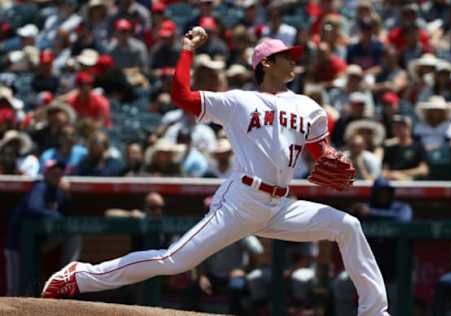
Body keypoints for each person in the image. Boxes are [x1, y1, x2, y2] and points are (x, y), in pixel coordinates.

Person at [41, 29, 390, 316]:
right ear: (266, 63)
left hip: (283, 205)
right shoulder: (238, 101)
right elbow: (182, 96)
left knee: (348, 226)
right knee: (173, 260)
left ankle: (375, 312)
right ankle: (81, 276)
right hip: (241, 201)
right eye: (286, 56)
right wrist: (187, 51)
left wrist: (332, 157)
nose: (293, 60)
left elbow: (320, 153)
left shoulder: (310, 108)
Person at [333, 177, 412, 316]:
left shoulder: (401, 208)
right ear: (374, 193)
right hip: (365, 270)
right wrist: (356, 211)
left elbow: (404, 220)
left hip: (393, 272)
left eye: (387, 192)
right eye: (380, 192)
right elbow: (343, 221)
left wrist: (371, 214)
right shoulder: (362, 208)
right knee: (341, 284)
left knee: (393, 300)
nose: (384, 195)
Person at [4, 160, 81, 296]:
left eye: (60, 171)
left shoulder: (59, 192)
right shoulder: (40, 186)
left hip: (36, 245)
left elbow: (68, 216)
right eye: (53, 171)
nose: (57, 173)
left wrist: (67, 194)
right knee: (15, 289)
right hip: (17, 245)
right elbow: (34, 208)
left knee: (72, 233)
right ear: (45, 173)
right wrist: (55, 215)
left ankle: (67, 278)